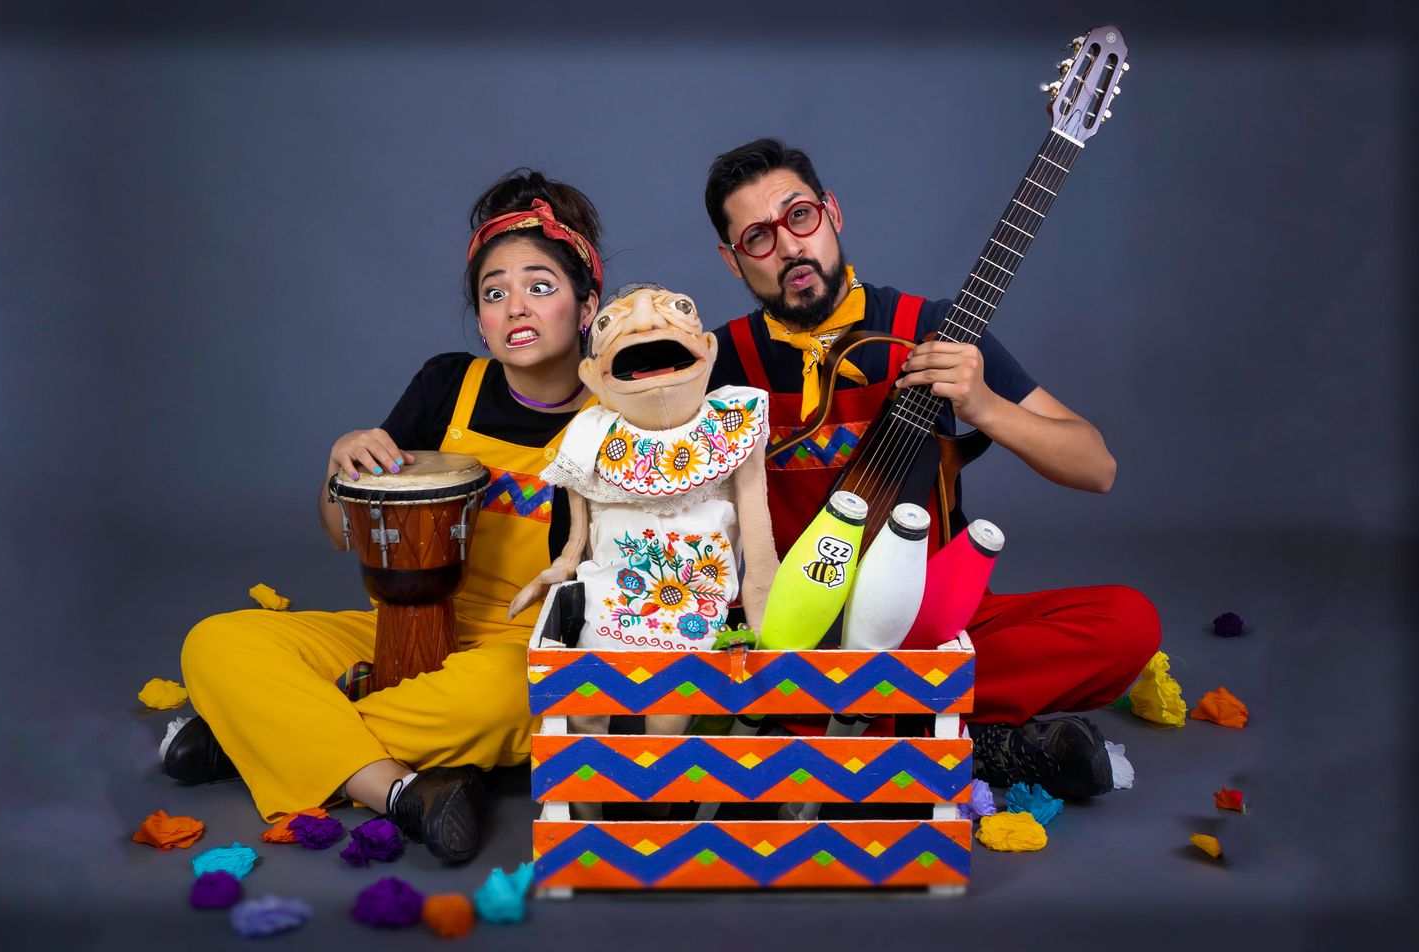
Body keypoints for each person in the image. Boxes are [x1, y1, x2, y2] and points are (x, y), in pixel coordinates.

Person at [161, 169, 605, 863]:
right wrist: (340, 467)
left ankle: (250, 736)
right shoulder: (447, 385)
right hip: (403, 628)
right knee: (215, 642)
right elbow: (341, 533)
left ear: (586, 307)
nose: (516, 307)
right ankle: (396, 785)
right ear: (481, 320)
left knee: (502, 700)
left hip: (522, 646)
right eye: (494, 293)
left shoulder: (619, 417)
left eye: (540, 286)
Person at [702, 138, 1160, 799]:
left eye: (799, 216)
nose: (789, 247)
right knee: (701, 662)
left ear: (832, 212)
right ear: (733, 259)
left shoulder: (939, 328)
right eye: (757, 237)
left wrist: (985, 406)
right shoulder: (718, 360)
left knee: (1128, 623)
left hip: (933, 625)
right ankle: (968, 740)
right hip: (789, 631)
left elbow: (1097, 467)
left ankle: (852, 729)